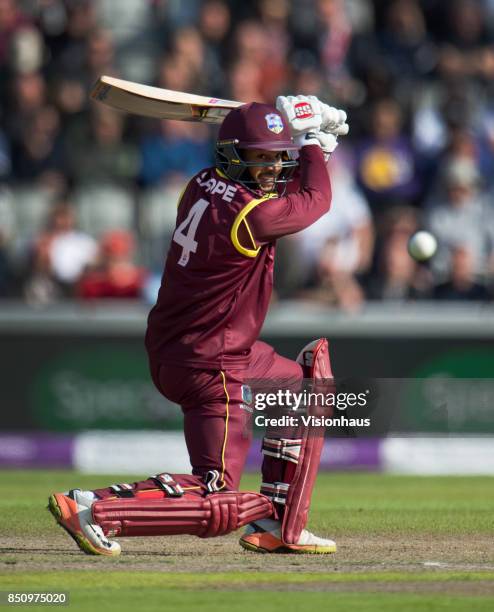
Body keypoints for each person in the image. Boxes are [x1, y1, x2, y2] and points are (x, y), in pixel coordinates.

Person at [48, 96, 348, 556]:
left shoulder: (201, 183)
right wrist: (311, 145)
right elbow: (315, 202)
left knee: (300, 388)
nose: (270, 170)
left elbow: (284, 198)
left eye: (276, 158)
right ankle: (93, 506)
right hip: (212, 363)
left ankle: (276, 521)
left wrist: (314, 151)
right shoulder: (252, 216)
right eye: (260, 158)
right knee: (218, 496)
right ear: (234, 156)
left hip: (199, 347)